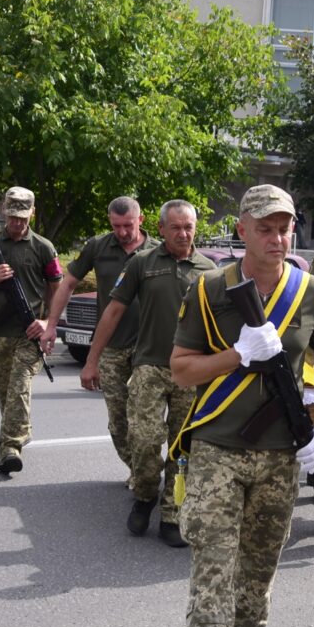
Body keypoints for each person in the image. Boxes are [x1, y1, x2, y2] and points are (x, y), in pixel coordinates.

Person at [170, 184, 314, 627]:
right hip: (218, 448)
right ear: (241, 230)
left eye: (284, 227)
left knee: (260, 568)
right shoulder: (208, 289)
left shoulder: (311, 291)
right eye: (265, 228)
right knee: (215, 569)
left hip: (279, 455)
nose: (276, 237)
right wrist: (236, 355)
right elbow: (181, 370)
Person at [80, 199, 214, 546]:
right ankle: (144, 495)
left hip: (190, 371)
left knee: (182, 448)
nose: (184, 234)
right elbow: (112, 312)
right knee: (143, 440)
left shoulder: (208, 270)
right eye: (176, 228)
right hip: (149, 366)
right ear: (161, 229)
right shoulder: (142, 263)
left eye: (189, 227)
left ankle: (171, 514)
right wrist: (92, 360)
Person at [42, 197, 157, 481]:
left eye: (128, 225)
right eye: (116, 226)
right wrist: (51, 324)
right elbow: (68, 283)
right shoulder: (98, 246)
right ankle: (138, 471)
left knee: (145, 421)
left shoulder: (157, 250)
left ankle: (147, 477)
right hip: (112, 345)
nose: (122, 232)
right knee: (118, 421)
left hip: (148, 347)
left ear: (140, 220)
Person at [0, 187, 63, 474]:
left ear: (32, 213)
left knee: (19, 387)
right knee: (6, 394)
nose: (17, 223)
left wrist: (49, 323)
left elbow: (56, 289)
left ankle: (10, 448)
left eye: (22, 218)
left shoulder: (43, 247)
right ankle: (19, 429)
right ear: (3, 211)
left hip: (29, 332)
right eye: (12, 217)